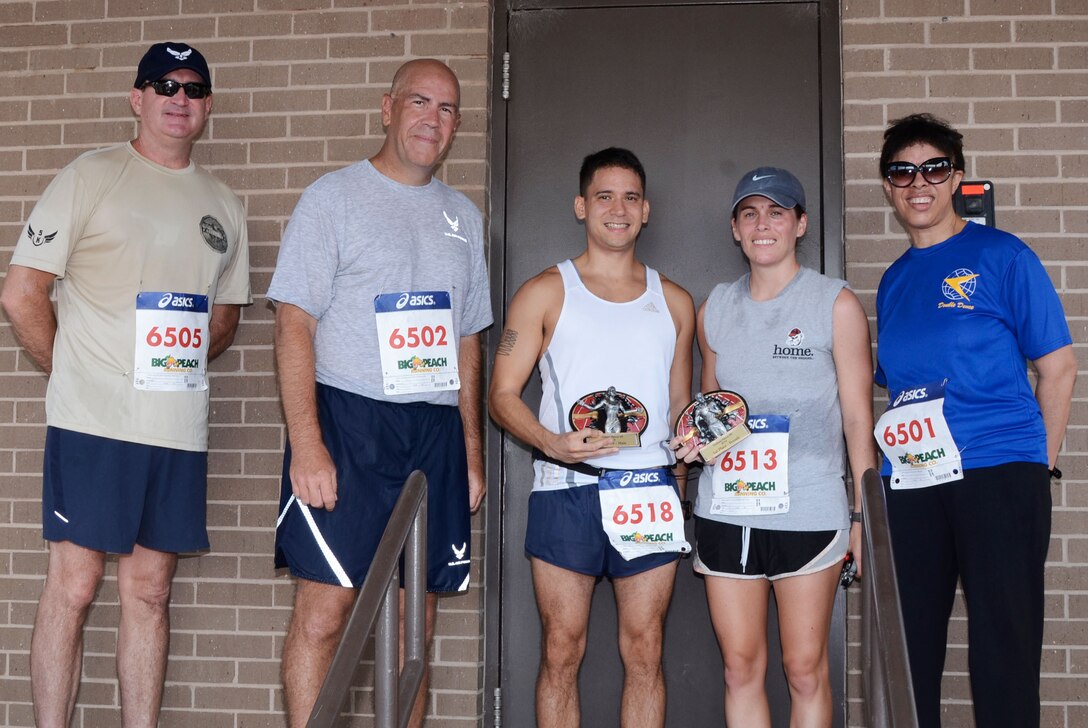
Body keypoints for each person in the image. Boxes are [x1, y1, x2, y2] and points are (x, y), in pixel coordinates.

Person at [0, 42, 250, 727]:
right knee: (74, 588)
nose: (179, 97)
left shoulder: (224, 206)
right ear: (137, 98)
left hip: (174, 430)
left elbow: (223, 320)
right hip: (93, 425)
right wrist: (76, 370)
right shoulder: (91, 176)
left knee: (150, 592)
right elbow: (23, 293)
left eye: (194, 88)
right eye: (163, 84)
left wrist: (182, 360)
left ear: (206, 107)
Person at [268, 59, 492, 728]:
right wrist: (308, 445)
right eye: (420, 102)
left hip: (433, 430)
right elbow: (292, 323)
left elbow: (468, 338)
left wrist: (471, 450)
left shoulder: (462, 216)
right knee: (326, 612)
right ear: (387, 108)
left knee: (414, 623)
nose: (434, 118)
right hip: (349, 421)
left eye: (448, 108)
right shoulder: (332, 198)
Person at [873, 113, 1076, 728]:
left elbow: (1059, 366)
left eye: (933, 168)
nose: (918, 182)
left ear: (956, 177)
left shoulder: (1002, 255)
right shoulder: (893, 280)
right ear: (887, 185)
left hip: (998, 472)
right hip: (914, 482)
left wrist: (1037, 467)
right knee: (911, 652)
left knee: (1003, 650)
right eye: (902, 171)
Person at [489, 147, 695, 728]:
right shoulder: (545, 291)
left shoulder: (674, 301)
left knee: (646, 652)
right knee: (561, 651)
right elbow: (501, 395)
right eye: (604, 195)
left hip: (650, 491)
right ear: (582, 206)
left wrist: (687, 461)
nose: (618, 208)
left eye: (631, 196)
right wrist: (551, 442)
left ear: (646, 210)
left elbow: (680, 405)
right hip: (566, 487)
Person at [674, 167, 876, 727]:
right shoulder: (715, 306)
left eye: (777, 212)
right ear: (736, 229)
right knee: (740, 668)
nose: (763, 225)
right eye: (750, 214)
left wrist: (863, 514)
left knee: (804, 669)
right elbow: (712, 403)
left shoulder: (834, 305)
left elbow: (859, 418)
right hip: (727, 509)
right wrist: (695, 440)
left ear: (800, 224)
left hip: (808, 511)